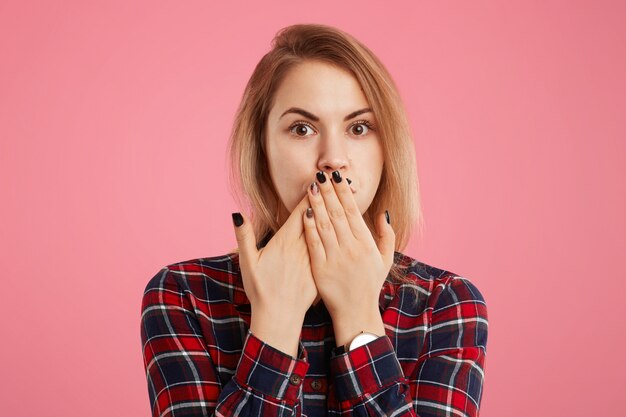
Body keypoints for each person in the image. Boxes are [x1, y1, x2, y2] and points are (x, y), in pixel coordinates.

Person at [140, 23, 488, 417]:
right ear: (262, 152)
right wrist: (274, 324)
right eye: (302, 129)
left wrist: (359, 318)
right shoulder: (184, 296)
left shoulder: (446, 304)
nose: (333, 158)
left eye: (359, 127)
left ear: (387, 147)